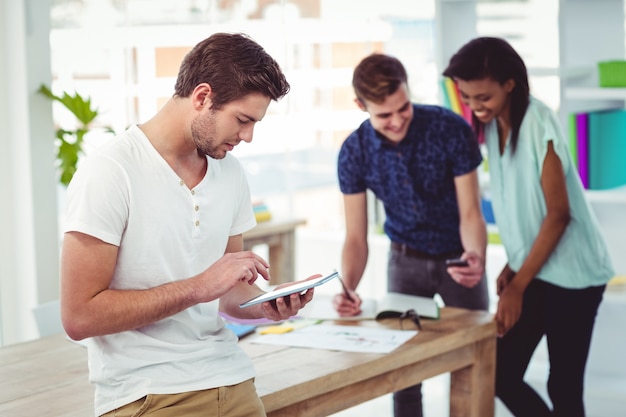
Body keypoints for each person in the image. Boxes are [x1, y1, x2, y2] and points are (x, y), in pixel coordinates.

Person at [60, 32, 316, 417]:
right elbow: (79, 317)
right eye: (243, 120)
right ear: (202, 97)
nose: (247, 136)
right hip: (148, 393)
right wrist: (198, 287)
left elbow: (230, 296)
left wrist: (267, 304)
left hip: (232, 378)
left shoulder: (230, 174)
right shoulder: (110, 172)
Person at [443, 37, 614, 417]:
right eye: (467, 97)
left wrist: (519, 283)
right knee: (500, 373)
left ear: (509, 84)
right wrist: (514, 264)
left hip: (575, 274)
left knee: (563, 385)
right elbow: (520, 207)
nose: (474, 106)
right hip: (537, 267)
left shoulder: (538, 120)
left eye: (482, 97)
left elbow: (558, 214)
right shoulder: (489, 128)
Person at [334, 53, 490, 417]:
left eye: (402, 108)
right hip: (404, 262)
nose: (397, 120)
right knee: (403, 375)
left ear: (408, 91)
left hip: (458, 258)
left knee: (473, 363)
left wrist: (476, 256)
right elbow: (356, 237)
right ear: (361, 106)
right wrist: (348, 288)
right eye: (383, 115)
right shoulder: (353, 152)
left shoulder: (450, 128)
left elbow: (471, 212)